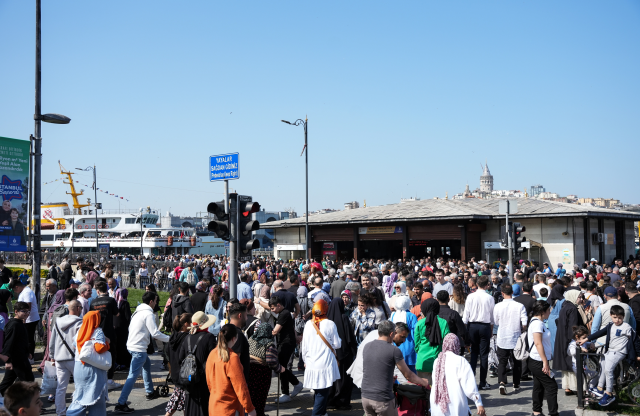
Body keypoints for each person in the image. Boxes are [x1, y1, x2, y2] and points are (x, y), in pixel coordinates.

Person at [115, 291, 170, 413]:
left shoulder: (138, 311)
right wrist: (171, 339)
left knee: (146, 364)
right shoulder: (148, 314)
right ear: (151, 301)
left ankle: (150, 391)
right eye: (156, 301)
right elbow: (155, 333)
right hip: (139, 348)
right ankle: (121, 403)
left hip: (132, 345)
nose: (156, 303)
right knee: (132, 376)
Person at [362, 320, 430, 416]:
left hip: (365, 398)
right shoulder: (393, 350)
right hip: (382, 400)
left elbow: (372, 369)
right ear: (391, 333)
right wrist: (424, 382)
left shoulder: (367, 346)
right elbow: (409, 376)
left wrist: (389, 378)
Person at [585, 305, 637, 406]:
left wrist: (638, 354)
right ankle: (600, 388)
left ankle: (609, 393)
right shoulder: (610, 325)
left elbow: (636, 341)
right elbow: (599, 333)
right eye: (615, 317)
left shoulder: (627, 327)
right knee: (603, 365)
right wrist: (587, 339)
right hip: (610, 351)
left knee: (608, 370)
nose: (617, 320)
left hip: (619, 352)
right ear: (611, 316)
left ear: (623, 317)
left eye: (620, 318)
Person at [300, 299, 341, 416]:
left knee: (319, 392)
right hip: (325, 363)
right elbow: (337, 344)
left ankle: (322, 413)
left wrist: (304, 360)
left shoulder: (308, 324)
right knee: (322, 393)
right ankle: (317, 414)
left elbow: (304, 345)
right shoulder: (330, 324)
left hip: (311, 363)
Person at [205, 324, 256, 416]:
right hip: (230, 408)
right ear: (234, 338)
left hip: (214, 405)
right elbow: (241, 387)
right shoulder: (232, 357)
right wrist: (250, 408)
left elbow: (209, 381)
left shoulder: (212, 354)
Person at [66, 311, 109, 416]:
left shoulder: (80, 331)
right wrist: (108, 343)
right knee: (97, 396)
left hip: (79, 367)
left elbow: (74, 346)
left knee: (81, 394)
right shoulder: (97, 331)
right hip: (93, 368)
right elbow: (100, 348)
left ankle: (72, 413)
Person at [431, 333, 486, 416]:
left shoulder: (437, 361)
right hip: (455, 405)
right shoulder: (460, 361)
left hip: (437, 406)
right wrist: (478, 403)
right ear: (457, 345)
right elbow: (469, 384)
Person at [179, 312, 218, 416]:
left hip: (190, 379)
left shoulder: (187, 338)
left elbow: (180, 357)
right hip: (204, 379)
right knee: (204, 408)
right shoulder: (209, 337)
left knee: (191, 406)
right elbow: (214, 359)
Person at [49, 300, 83, 416]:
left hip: (59, 358)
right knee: (79, 386)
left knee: (61, 388)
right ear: (78, 308)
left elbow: (52, 339)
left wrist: (52, 355)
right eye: (81, 308)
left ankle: (60, 412)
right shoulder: (80, 322)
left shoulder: (58, 322)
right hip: (74, 358)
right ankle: (75, 411)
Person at [493, 283, 527, 395]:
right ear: (512, 292)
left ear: (502, 293)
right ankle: (516, 383)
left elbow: (496, 322)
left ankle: (502, 382)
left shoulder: (497, 306)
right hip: (515, 336)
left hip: (502, 336)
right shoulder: (519, 306)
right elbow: (524, 323)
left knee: (502, 361)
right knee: (516, 361)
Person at [462, 276, 495, 390]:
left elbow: (466, 315)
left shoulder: (470, 296)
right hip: (485, 326)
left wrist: (465, 330)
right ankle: (482, 382)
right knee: (484, 355)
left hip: (472, 326)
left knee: (474, 354)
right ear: (487, 285)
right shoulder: (490, 298)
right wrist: (491, 330)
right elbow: (492, 317)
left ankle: (471, 382)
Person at [553, 289, 587, 395]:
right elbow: (574, 326)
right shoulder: (572, 308)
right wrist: (577, 339)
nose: (581, 299)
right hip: (570, 339)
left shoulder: (565, 306)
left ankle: (567, 387)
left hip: (563, 338)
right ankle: (575, 387)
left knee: (566, 363)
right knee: (572, 362)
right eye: (579, 297)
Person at [269, 296, 303, 403]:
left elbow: (275, 331)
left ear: (278, 305)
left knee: (280, 366)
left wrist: (264, 334)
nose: (272, 310)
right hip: (285, 343)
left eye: (273, 308)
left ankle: (289, 390)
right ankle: (293, 385)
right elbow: (291, 327)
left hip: (286, 343)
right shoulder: (284, 313)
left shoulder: (284, 313)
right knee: (281, 366)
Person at [246, 323, 285, 416]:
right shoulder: (269, 344)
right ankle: (259, 413)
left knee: (251, 395)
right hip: (261, 373)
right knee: (260, 396)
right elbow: (271, 361)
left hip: (249, 371)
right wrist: (280, 368)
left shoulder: (251, 339)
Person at [326, 297, 357, 411]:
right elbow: (349, 337)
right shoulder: (344, 317)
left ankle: (329, 401)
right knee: (343, 378)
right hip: (344, 354)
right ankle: (342, 402)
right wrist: (354, 351)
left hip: (331, 354)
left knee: (331, 378)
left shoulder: (327, 319)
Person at [527, 301, 557, 416]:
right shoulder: (537, 324)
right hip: (538, 361)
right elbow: (538, 343)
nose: (549, 312)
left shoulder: (539, 322)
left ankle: (536, 411)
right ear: (542, 312)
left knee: (538, 385)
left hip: (538, 360)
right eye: (548, 310)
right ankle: (553, 413)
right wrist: (545, 362)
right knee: (551, 386)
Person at [89, 280, 120, 390]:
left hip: (97, 332)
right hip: (109, 331)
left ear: (97, 291)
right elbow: (117, 313)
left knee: (98, 355)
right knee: (111, 354)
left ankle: (99, 378)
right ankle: (109, 379)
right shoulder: (111, 300)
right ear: (106, 290)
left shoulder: (93, 302)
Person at [0, 302, 34, 397]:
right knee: (28, 381)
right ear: (16, 312)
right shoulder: (14, 325)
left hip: (21, 356)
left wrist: (28, 352)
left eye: (28, 311)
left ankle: (10, 400)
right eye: (24, 311)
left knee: (7, 382)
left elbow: (22, 340)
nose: (27, 313)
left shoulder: (20, 323)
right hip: (17, 359)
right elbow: (8, 343)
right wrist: (8, 361)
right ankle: (28, 405)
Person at [415, 298, 450, 385]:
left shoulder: (420, 323)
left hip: (422, 362)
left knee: (423, 391)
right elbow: (447, 342)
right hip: (438, 362)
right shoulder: (443, 323)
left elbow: (416, 344)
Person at [165, 313, 193, 416]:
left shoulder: (173, 337)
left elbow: (167, 353)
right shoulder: (187, 338)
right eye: (191, 322)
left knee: (179, 401)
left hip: (175, 373)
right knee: (180, 401)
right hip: (185, 375)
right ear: (186, 324)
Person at [9, 281, 39, 364]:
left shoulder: (27, 292)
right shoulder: (25, 291)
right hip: (27, 318)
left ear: (17, 287)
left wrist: (24, 319)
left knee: (28, 339)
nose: (15, 292)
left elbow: (27, 306)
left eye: (14, 290)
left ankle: (30, 357)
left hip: (29, 319)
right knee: (26, 339)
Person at [389, 296, 417, 372]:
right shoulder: (411, 316)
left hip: (396, 346)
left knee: (398, 370)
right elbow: (415, 333)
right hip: (409, 347)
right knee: (410, 371)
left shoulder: (393, 315)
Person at [113, 288, 132, 370]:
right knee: (123, 345)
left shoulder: (114, 303)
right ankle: (124, 363)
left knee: (116, 345)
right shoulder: (125, 303)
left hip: (115, 327)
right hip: (123, 328)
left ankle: (117, 362)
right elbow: (128, 317)